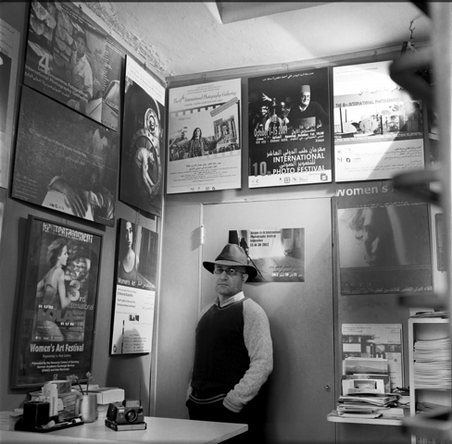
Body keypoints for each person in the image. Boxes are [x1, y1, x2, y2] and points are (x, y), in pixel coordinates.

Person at [186, 243, 273, 442]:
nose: (223, 276)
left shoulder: (251, 312)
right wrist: (189, 394)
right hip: (198, 410)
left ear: (244, 277)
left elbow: (263, 363)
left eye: (231, 271)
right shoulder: (205, 312)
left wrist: (234, 401)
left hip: (231, 413)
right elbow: (200, 360)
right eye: (219, 270)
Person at [35, 238, 70, 341]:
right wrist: (73, 296)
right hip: (49, 321)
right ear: (58, 256)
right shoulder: (60, 272)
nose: (67, 256)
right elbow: (64, 303)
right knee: (61, 348)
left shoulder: (49, 273)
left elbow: (36, 292)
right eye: (65, 253)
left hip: (40, 320)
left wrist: (48, 296)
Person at [70, 30, 93, 102]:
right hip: (68, 88)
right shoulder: (73, 54)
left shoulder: (87, 67)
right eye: (78, 42)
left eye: (82, 44)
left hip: (77, 97)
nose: (79, 45)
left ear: (85, 48)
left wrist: (84, 98)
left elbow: (90, 89)